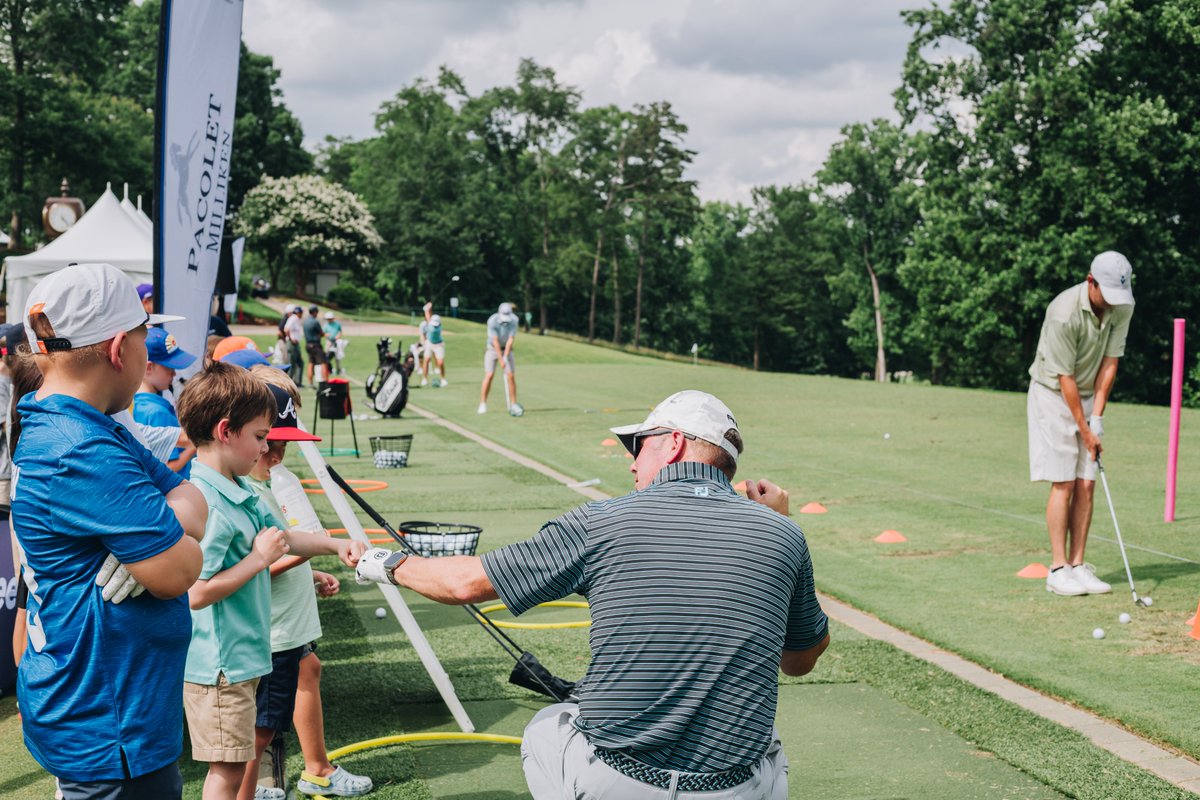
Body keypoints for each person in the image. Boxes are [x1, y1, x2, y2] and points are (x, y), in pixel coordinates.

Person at [357, 390, 829, 799]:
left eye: (638, 445)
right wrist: (781, 522)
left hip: (621, 784)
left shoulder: (600, 522)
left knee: (546, 728)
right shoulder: (784, 535)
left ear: (675, 443)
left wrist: (384, 562)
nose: (631, 460)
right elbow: (799, 660)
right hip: (735, 789)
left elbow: (463, 584)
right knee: (769, 744)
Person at [12, 262, 208, 798]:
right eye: (147, 338)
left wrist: (165, 526)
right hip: (108, 723)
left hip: (107, 712)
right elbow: (179, 569)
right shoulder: (82, 447)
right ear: (121, 348)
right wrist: (171, 531)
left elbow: (191, 498)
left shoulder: (78, 424)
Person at [176, 362, 364, 800]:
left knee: (240, 761)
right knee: (226, 771)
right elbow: (196, 592)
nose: (266, 450)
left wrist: (334, 546)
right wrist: (259, 560)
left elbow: (285, 538)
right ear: (226, 431)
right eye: (261, 438)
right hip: (220, 666)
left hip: (243, 658)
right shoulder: (209, 504)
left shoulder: (237, 489)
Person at [244, 367, 374, 798]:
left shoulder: (264, 482)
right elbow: (255, 565)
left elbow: (285, 550)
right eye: (271, 444)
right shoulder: (251, 491)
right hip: (273, 628)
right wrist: (320, 549)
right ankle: (243, 791)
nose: (277, 454)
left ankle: (316, 768)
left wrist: (313, 564)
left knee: (306, 672)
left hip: (286, 624)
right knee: (260, 730)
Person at [1028, 251, 1135, 596]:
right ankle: (1058, 569)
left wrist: (1098, 418)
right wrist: (1084, 429)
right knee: (1064, 481)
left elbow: (1110, 363)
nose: (1111, 303)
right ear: (1091, 281)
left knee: (1086, 482)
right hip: (1053, 393)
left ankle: (1078, 564)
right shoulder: (1062, 313)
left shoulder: (1121, 306)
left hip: (1088, 393)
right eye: (1106, 294)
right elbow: (1065, 377)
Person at [134, 327, 199, 476]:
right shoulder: (158, 411)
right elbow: (168, 467)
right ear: (149, 367)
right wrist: (194, 446)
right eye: (169, 367)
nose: (174, 373)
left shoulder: (130, 405)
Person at [478, 302, 521, 416]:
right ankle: (483, 403)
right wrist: (501, 359)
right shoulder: (492, 321)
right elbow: (495, 341)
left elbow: (511, 339)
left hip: (507, 349)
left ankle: (514, 404)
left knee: (511, 376)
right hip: (492, 349)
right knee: (489, 375)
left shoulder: (514, 320)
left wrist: (505, 356)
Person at [419, 303, 447, 388]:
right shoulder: (431, 324)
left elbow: (427, 316)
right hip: (429, 343)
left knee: (440, 362)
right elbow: (428, 316)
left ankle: (443, 379)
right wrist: (428, 308)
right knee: (426, 360)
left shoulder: (437, 327)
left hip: (439, 344)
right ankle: (424, 379)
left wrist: (427, 308)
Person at [303, 306, 328, 388]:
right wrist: (325, 335)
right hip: (316, 345)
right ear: (314, 312)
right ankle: (326, 383)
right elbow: (321, 333)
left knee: (311, 363)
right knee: (323, 363)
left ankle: (310, 383)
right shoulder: (315, 322)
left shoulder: (305, 321)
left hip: (308, 345)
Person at [284, 307, 305, 388]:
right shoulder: (293, 318)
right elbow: (286, 329)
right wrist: (291, 339)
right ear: (298, 312)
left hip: (295, 344)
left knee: (299, 363)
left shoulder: (296, 319)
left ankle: (297, 382)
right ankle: (289, 383)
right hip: (292, 343)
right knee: (291, 363)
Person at [322, 312, 345, 376]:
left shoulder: (337, 324)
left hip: (336, 341)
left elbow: (340, 332)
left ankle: (338, 370)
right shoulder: (325, 325)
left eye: (330, 319)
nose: (329, 320)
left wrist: (338, 336)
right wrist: (327, 335)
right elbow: (323, 333)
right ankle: (329, 369)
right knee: (326, 356)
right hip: (329, 342)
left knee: (337, 357)